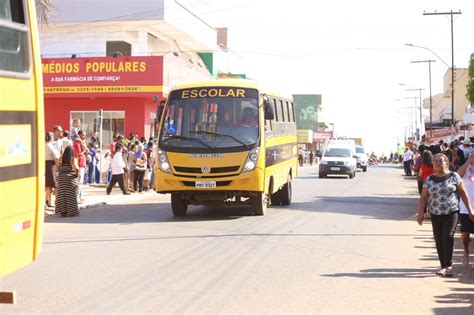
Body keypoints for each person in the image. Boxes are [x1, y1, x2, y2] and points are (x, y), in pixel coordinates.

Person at [417, 153, 474, 277]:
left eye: (441, 161)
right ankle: (443, 265)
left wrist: (470, 210)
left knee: (447, 237)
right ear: (433, 164)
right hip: (435, 213)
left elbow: (463, 194)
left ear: (446, 163)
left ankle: (448, 266)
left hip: (451, 212)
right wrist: (420, 213)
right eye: (435, 161)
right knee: (438, 239)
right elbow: (423, 197)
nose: (438, 163)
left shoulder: (455, 177)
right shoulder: (429, 179)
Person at [456, 153, 474, 267]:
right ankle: (466, 252)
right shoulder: (466, 168)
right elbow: (458, 175)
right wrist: (469, 162)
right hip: (465, 207)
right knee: (465, 234)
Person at [55, 146, 80, 217]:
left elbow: (56, 169)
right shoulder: (72, 159)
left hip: (61, 178)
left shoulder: (60, 159)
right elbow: (76, 169)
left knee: (62, 195)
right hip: (70, 178)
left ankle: (63, 211)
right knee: (71, 195)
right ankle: (72, 212)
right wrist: (76, 175)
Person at [45, 132, 60, 208]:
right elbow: (57, 157)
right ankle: (57, 202)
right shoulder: (51, 146)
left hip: (43, 166)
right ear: (51, 138)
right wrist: (57, 167)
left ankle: (48, 200)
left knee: (48, 185)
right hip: (51, 166)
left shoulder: (42, 145)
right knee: (55, 185)